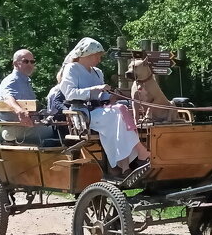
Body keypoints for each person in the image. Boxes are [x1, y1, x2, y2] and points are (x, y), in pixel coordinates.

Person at [57, 38, 150, 183]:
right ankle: (139, 153)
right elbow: (69, 94)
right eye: (97, 55)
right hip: (83, 113)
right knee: (119, 112)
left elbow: (102, 96)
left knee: (122, 110)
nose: (99, 59)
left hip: (102, 111)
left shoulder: (97, 72)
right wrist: (94, 89)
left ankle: (124, 167)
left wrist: (112, 95)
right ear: (88, 54)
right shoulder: (72, 69)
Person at [0, 49, 54, 144]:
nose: (30, 64)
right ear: (15, 64)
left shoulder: (24, 81)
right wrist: (19, 111)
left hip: (26, 127)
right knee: (58, 130)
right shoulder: (12, 81)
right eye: (25, 61)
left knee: (57, 126)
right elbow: (7, 98)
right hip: (15, 128)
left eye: (32, 62)